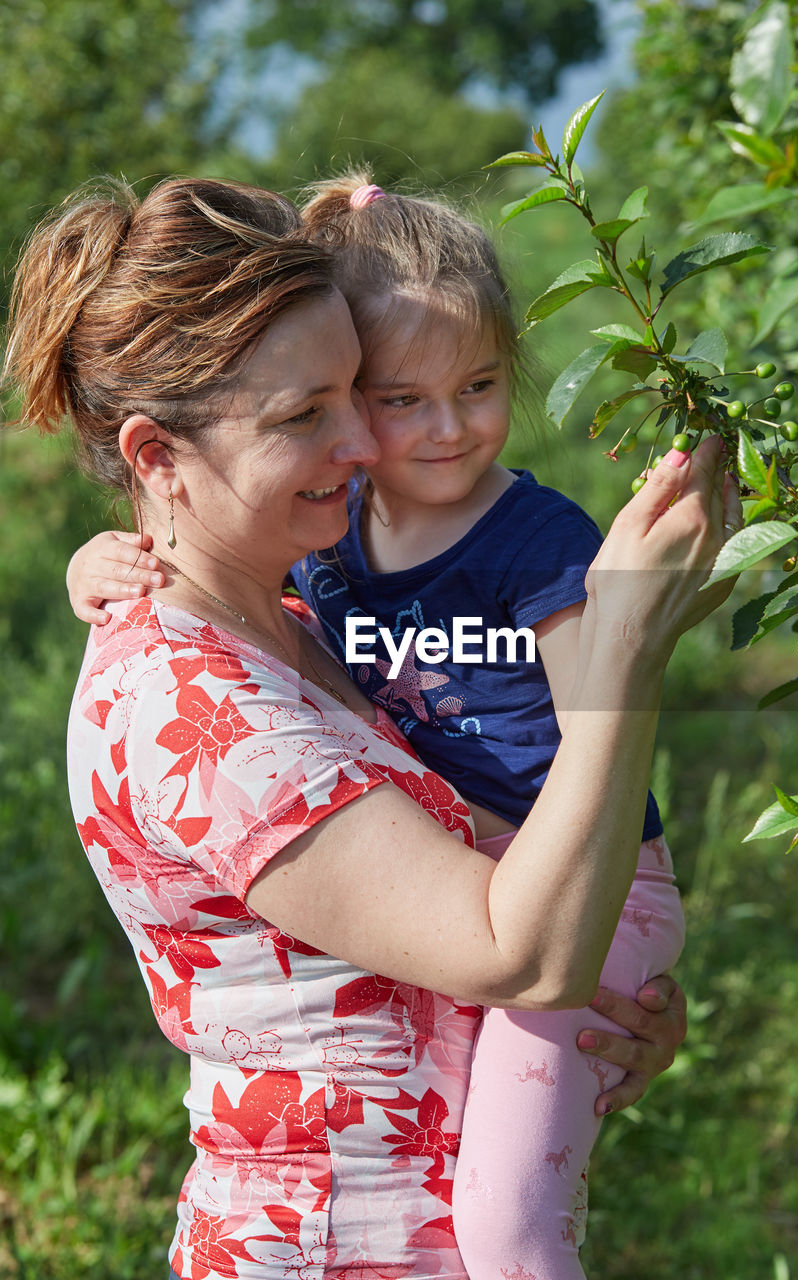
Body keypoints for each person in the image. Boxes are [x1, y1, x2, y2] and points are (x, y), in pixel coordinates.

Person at [15, 174, 738, 1280]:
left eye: (358, 392)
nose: (363, 440)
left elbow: (506, 928)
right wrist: (628, 642)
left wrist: (610, 1013)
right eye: (305, 415)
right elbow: (517, 951)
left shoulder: (306, 618)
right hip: (332, 1247)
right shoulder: (189, 705)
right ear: (158, 458)